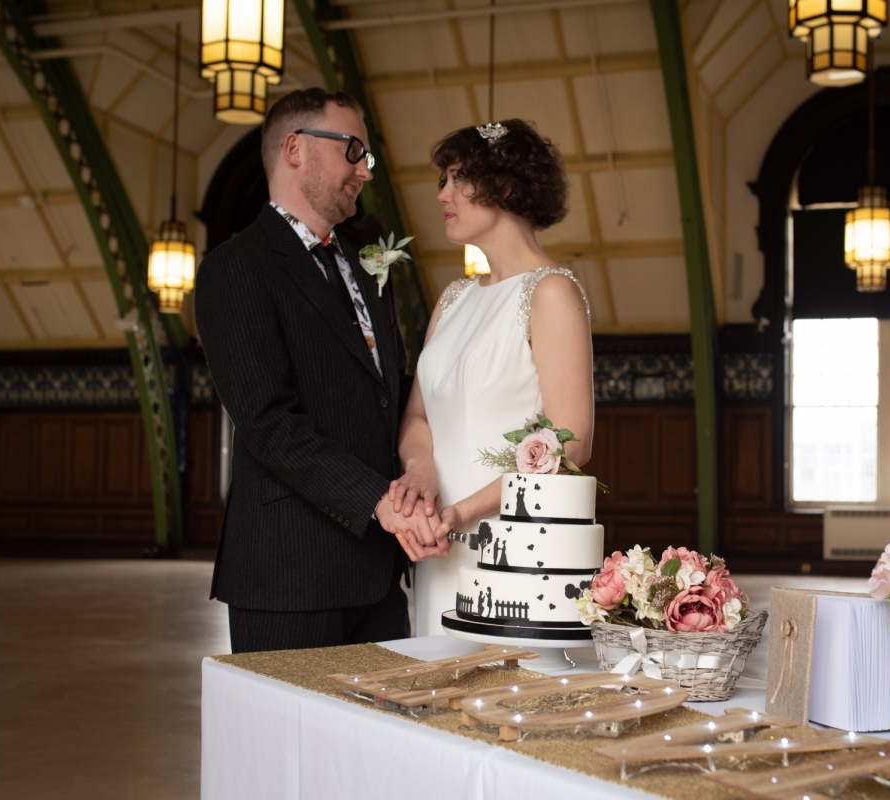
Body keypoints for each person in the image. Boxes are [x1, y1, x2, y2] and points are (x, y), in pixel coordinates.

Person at [194, 88, 444, 654]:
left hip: (379, 572)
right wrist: (379, 501)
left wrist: (419, 467)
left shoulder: (366, 265)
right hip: (290, 573)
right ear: (295, 148)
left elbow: (391, 392)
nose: (366, 171)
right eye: (353, 150)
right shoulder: (235, 268)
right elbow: (267, 422)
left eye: (367, 156)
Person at [390, 119, 595, 637]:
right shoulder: (452, 298)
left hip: (509, 546)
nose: (442, 194)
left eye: (458, 178)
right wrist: (420, 472)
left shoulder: (552, 292)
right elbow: (417, 414)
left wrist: (463, 513)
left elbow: (572, 444)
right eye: (443, 180)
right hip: (435, 538)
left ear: (503, 186)